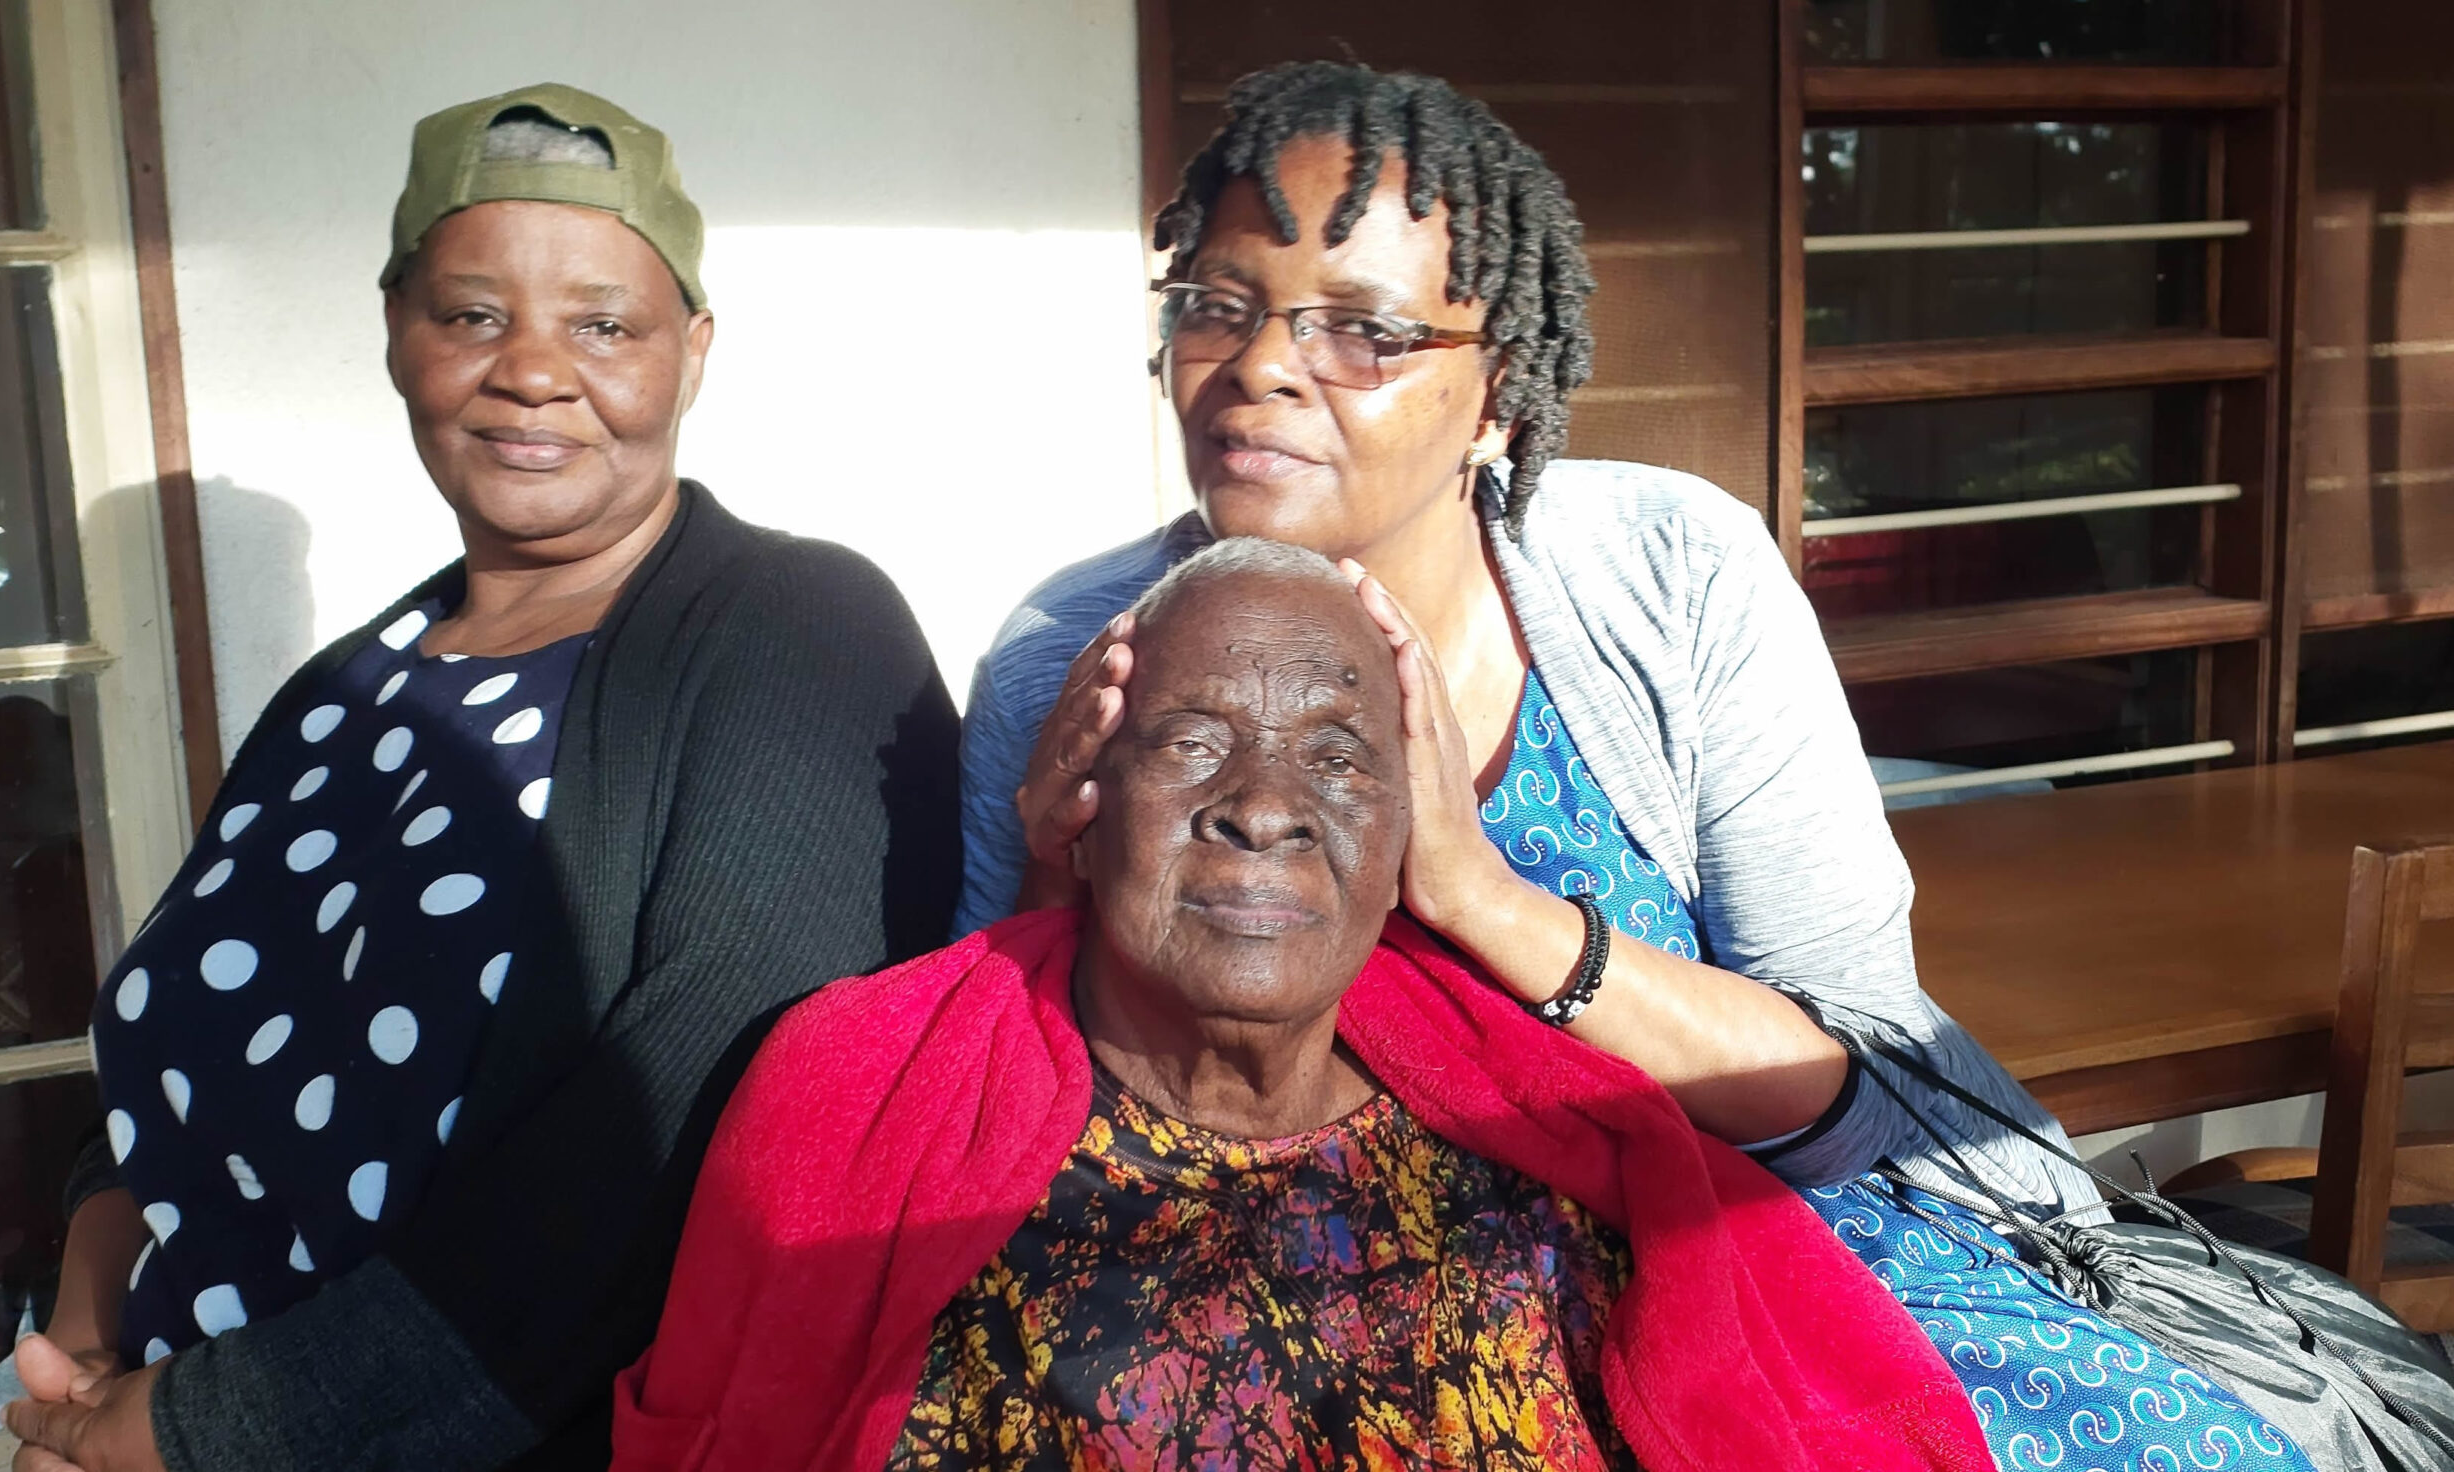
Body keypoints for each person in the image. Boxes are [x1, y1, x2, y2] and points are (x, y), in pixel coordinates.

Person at [959, 62, 2314, 1471]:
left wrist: (1486, 901)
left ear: (1497, 399)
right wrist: (1061, 888)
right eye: (1219, 307)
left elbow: (1860, 1074)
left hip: (1772, 1260)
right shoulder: (1070, 659)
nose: (1258, 366)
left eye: (1363, 331)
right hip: (1331, 1314)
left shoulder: (1676, 575)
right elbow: (987, 1131)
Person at [1, 83, 960, 1472]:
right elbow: (186, 1050)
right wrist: (88, 1347)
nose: (531, 370)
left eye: (604, 326)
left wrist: (208, 1429)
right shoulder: (341, 689)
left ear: (692, 353)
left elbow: (705, 1111)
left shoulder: (796, 630)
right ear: (397, 332)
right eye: (472, 315)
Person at [613, 540, 1994, 1472]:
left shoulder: (1558, 1134)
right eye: (1194, 740)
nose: (1265, 805)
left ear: (1413, 830)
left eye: (1337, 758)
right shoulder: (859, 1091)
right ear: (1086, 808)